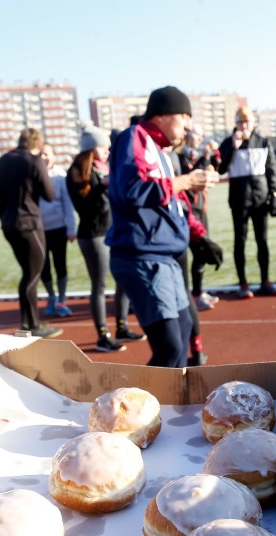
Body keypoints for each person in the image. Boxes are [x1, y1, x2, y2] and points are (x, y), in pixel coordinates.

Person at [107, 86, 221, 367]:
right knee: (169, 346)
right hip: (141, 258)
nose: (188, 126)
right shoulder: (134, 137)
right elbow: (130, 190)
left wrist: (200, 238)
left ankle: (171, 409)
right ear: (162, 116)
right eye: (185, 117)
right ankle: (137, 409)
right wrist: (186, 181)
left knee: (182, 334)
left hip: (165, 258)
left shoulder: (160, 152)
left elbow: (176, 203)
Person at [67, 125, 145, 353]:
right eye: (103, 147)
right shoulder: (76, 173)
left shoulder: (106, 169)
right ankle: (103, 336)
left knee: (122, 279)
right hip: (93, 235)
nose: (108, 151)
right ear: (91, 148)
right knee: (100, 285)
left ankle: (122, 327)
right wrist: (101, 187)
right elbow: (86, 207)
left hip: (113, 231)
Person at [0, 128, 63, 338]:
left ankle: (27, 322)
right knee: (33, 274)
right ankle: (32, 324)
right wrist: (43, 168)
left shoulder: (3, 161)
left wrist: (5, 215)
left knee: (27, 274)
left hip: (9, 224)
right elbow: (49, 194)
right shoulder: (34, 162)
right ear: (38, 144)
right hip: (29, 223)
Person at [219, 106, 276, 298]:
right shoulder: (228, 143)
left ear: (253, 123)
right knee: (240, 241)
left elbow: (271, 171)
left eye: (247, 122)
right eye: (240, 122)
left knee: (262, 241)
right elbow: (221, 169)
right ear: (236, 124)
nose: (244, 126)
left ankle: (265, 280)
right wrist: (233, 147)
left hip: (260, 199)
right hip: (239, 201)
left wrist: (274, 196)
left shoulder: (263, 142)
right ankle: (243, 284)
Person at [179, 125, 220, 311]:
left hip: (200, 209)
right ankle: (191, 296)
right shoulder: (180, 156)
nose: (199, 139)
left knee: (202, 253)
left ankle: (197, 291)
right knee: (192, 253)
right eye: (197, 135)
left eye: (201, 136)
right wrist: (204, 158)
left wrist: (212, 161)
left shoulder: (196, 156)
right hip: (188, 212)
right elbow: (189, 175)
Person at [39, 144, 76, 317]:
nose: (44, 157)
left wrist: (71, 228)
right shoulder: (33, 175)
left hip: (59, 228)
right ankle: (51, 297)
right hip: (39, 231)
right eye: (40, 154)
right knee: (43, 267)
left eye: (47, 154)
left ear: (53, 155)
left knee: (60, 265)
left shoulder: (61, 176)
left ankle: (61, 300)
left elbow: (68, 205)